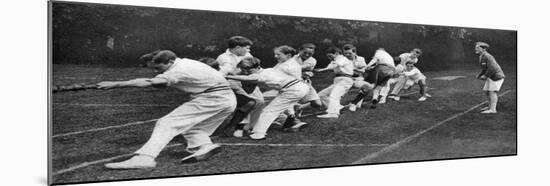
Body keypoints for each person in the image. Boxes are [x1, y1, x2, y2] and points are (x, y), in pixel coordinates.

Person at [101, 50, 237, 169]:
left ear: (170, 61)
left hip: (213, 98)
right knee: (194, 128)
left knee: (166, 123)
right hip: (228, 99)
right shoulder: (186, 62)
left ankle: (145, 158)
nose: (156, 71)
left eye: (158, 67)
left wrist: (116, 84)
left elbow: (149, 82)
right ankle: (204, 146)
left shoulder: (179, 70)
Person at [226, 57, 310, 139]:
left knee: (269, 111)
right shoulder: (269, 70)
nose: (247, 72)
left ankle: (258, 134)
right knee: (279, 103)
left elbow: (248, 78)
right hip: (298, 87)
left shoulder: (261, 75)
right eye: (245, 70)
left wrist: (229, 76)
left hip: (293, 90)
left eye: (249, 70)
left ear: (258, 67)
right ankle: (290, 119)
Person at [216, 36, 265, 137]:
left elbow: (253, 65)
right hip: (232, 84)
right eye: (247, 48)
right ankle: (238, 126)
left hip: (248, 82)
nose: (249, 50)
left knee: (260, 102)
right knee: (249, 102)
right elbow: (224, 73)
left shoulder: (246, 54)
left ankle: (250, 127)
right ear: (238, 47)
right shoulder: (224, 58)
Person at [314, 47, 354, 118]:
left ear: (336, 53)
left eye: (330, 56)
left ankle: (333, 113)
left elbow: (335, 65)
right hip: (338, 80)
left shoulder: (342, 58)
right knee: (321, 95)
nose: (329, 57)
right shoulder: (334, 60)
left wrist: (322, 69)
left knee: (334, 95)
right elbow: (330, 66)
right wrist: (321, 69)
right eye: (328, 56)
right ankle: (337, 107)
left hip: (345, 80)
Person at [475, 42, 505, 114]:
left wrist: (485, 76)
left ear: (484, 49)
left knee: (492, 92)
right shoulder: (482, 56)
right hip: (491, 76)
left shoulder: (488, 56)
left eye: (478, 48)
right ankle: (490, 107)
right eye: (476, 47)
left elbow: (493, 68)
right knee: (487, 92)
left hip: (497, 77)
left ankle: (493, 109)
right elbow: (484, 68)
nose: (476, 49)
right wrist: (480, 75)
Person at [341, 44, 368, 111]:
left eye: (349, 53)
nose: (347, 55)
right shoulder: (342, 59)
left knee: (366, 88)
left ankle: (355, 103)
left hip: (358, 78)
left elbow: (364, 70)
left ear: (354, 52)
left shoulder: (360, 59)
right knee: (339, 92)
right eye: (345, 53)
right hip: (346, 78)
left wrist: (356, 70)